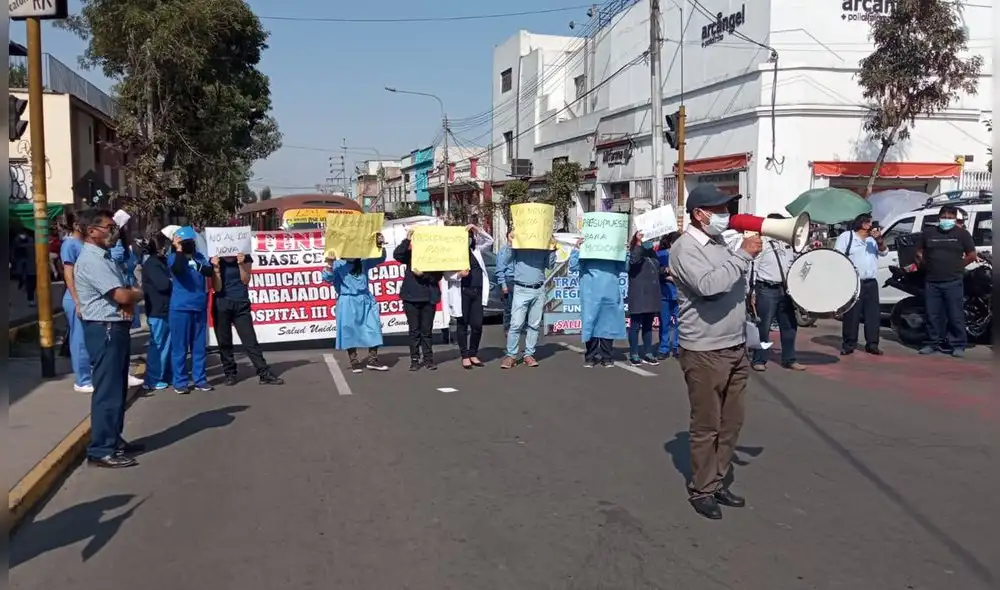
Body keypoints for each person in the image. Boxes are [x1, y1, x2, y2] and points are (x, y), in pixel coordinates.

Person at [669, 184, 762, 520]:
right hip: (705, 349)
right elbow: (709, 286)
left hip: (735, 345)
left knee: (731, 422)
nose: (725, 215)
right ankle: (702, 489)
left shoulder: (721, 243)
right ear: (700, 214)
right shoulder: (684, 249)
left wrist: (742, 257)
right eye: (719, 209)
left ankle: (718, 479)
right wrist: (743, 256)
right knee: (707, 424)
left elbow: (734, 281)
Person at [73, 209, 145, 468]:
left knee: (118, 389)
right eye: (108, 226)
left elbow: (124, 290)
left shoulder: (105, 257)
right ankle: (101, 449)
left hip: (115, 327)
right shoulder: (92, 260)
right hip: (105, 329)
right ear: (92, 231)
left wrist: (130, 294)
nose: (113, 230)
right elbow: (123, 295)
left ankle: (114, 439)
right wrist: (135, 295)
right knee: (108, 391)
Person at [210, 252, 285, 384]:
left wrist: (241, 265)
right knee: (224, 341)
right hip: (222, 304)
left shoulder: (244, 256)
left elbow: (245, 280)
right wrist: (216, 269)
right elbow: (217, 287)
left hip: (241, 303)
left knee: (250, 340)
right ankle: (230, 373)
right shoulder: (215, 258)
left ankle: (263, 372)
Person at [743, 213, 805, 372]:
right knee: (763, 327)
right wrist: (751, 292)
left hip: (784, 290)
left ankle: (789, 358)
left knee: (789, 326)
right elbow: (753, 267)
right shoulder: (762, 243)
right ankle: (759, 359)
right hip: (766, 289)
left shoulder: (788, 245)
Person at [322, 234, 389, 373]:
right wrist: (329, 264)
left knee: (374, 327)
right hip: (347, 301)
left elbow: (380, 258)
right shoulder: (338, 264)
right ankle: (354, 361)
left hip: (365, 299)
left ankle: (373, 359)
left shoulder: (363, 262)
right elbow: (327, 278)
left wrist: (379, 245)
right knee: (349, 331)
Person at [916, 205, 977, 357]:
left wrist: (958, 266)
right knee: (932, 315)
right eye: (945, 217)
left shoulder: (962, 234)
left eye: (950, 218)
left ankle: (957, 345)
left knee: (955, 315)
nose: (947, 220)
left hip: (953, 281)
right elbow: (918, 252)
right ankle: (932, 343)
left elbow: (971, 255)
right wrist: (924, 264)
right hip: (932, 281)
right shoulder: (929, 233)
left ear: (955, 219)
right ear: (939, 217)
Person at [168, 226, 215, 394]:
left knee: (199, 347)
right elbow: (178, 270)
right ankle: (180, 382)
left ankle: (200, 379)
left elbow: (209, 272)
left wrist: (206, 264)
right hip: (180, 309)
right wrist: (179, 249)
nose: (189, 245)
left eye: (190, 242)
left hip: (199, 307)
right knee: (180, 348)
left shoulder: (200, 257)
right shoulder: (173, 258)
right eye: (185, 242)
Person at [499, 232, 557, 369]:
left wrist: (552, 249)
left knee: (534, 325)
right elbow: (505, 261)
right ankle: (511, 356)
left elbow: (550, 265)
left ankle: (529, 355)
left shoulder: (543, 246)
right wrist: (510, 243)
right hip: (521, 288)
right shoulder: (519, 245)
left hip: (538, 289)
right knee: (516, 324)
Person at [569, 236, 626, 367]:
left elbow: (625, 266)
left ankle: (607, 357)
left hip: (609, 291)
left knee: (608, 324)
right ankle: (590, 356)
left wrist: (625, 251)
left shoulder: (613, 252)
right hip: (590, 293)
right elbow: (573, 266)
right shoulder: (587, 251)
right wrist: (576, 249)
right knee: (591, 324)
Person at [835, 213, 887, 356]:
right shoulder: (847, 237)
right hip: (854, 281)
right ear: (863, 224)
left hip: (870, 282)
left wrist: (879, 240)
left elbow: (884, 252)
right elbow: (838, 256)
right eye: (869, 223)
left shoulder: (873, 240)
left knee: (872, 315)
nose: (872, 226)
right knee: (852, 314)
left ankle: (872, 344)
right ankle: (849, 344)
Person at [393, 229, 445, 371]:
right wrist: (407, 240)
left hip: (429, 297)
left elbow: (438, 276)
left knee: (426, 331)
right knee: (414, 330)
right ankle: (414, 359)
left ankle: (428, 359)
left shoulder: (436, 257)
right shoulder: (411, 254)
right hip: (411, 297)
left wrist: (423, 275)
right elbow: (397, 255)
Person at [447, 225, 494, 369]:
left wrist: (476, 228)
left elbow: (490, 241)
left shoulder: (476, 250)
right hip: (462, 292)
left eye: (469, 237)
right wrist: (459, 275)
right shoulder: (452, 254)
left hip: (477, 291)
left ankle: (473, 353)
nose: (467, 240)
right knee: (462, 323)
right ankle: (465, 355)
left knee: (477, 325)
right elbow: (446, 275)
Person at [60, 215, 93, 393]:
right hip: (75, 298)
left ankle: (89, 375)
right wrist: (77, 300)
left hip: (87, 297)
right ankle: (82, 380)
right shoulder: (70, 244)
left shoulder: (86, 243)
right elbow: (68, 274)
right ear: (76, 225)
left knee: (88, 338)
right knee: (79, 338)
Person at [141, 233, 173, 391]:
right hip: (157, 310)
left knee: (167, 344)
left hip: (165, 309)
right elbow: (163, 285)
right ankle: (152, 378)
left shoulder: (161, 262)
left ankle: (165, 374)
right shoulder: (152, 264)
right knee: (158, 345)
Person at [626, 231, 661, 366]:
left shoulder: (652, 253)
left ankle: (648, 352)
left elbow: (657, 267)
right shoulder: (635, 252)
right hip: (638, 294)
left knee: (648, 326)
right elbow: (634, 261)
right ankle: (634, 353)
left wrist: (665, 270)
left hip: (651, 294)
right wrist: (638, 243)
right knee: (635, 326)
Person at [655, 232, 681, 359]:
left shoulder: (684, 255)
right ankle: (663, 348)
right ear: (671, 243)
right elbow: (655, 270)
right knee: (664, 322)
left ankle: (677, 347)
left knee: (679, 322)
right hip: (664, 292)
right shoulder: (661, 255)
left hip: (680, 294)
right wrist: (666, 274)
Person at [495, 229, 517, 334]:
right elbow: (499, 270)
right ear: (508, 236)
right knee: (508, 307)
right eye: (512, 235)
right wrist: (503, 285)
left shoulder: (518, 250)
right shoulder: (504, 251)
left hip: (518, 280)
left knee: (518, 307)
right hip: (508, 280)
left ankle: (517, 328)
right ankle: (507, 328)